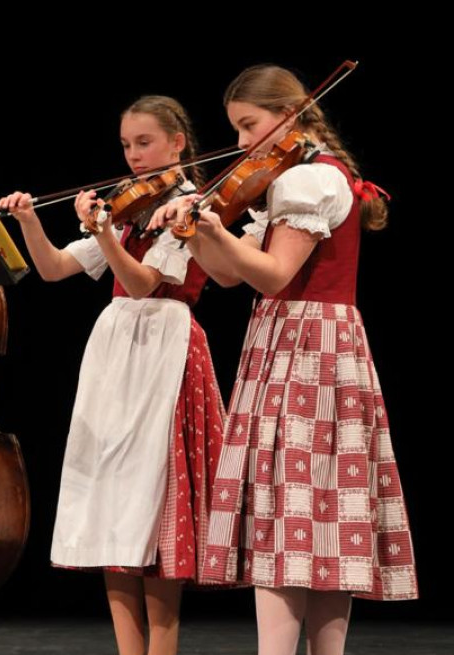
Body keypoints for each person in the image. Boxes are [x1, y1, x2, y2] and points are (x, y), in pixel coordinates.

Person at [150, 64, 418, 655]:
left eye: (250, 126)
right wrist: (199, 232)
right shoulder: (287, 182)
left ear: (290, 115)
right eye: (237, 130)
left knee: (300, 504)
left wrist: (211, 223)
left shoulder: (310, 182)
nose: (242, 143)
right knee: (305, 503)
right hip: (291, 343)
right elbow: (225, 273)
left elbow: (273, 276)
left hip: (310, 347)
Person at [0, 95, 226, 655]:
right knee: (113, 498)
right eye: (126, 145)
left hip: (166, 348)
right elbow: (51, 269)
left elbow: (147, 282)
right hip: (118, 352)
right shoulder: (129, 211)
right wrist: (30, 221)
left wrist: (103, 233)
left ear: (177, 142)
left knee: (156, 495)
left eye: (144, 142)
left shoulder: (192, 206)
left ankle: (162, 649)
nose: (134, 156)